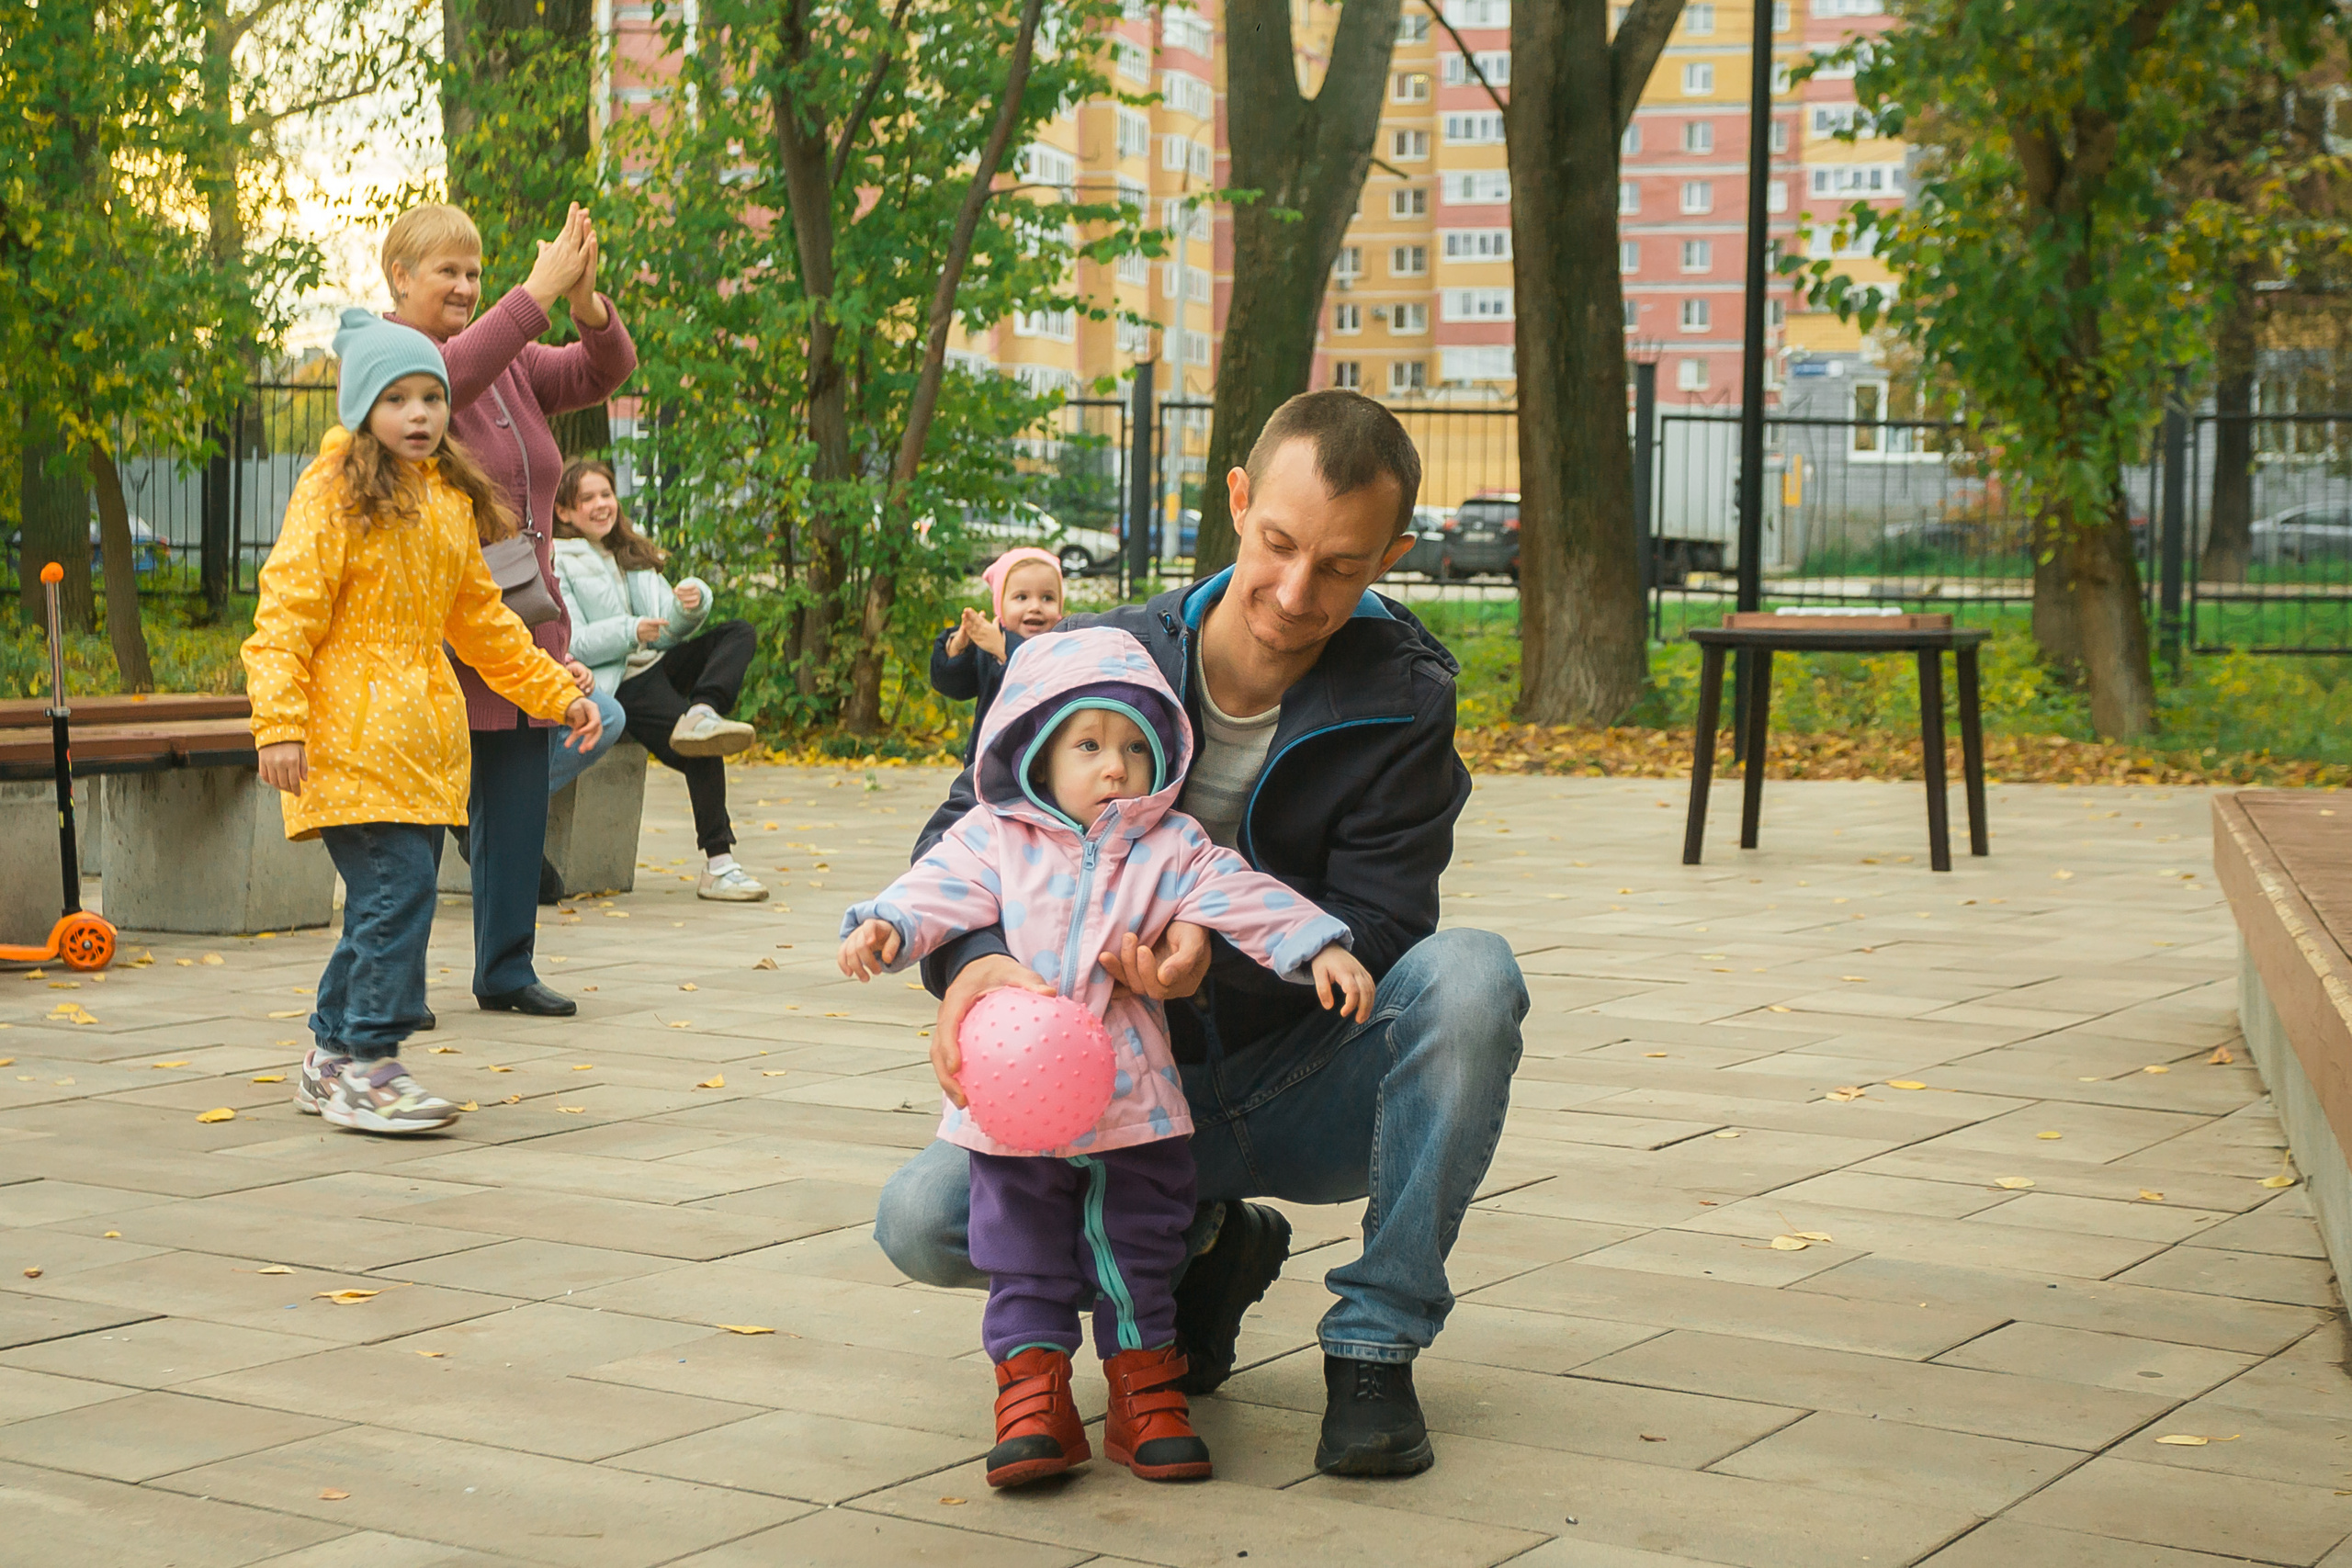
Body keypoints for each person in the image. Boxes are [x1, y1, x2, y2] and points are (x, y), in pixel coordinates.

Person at [873, 389, 1528, 1478]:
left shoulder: (1403, 694)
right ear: (1235, 500)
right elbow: (962, 838)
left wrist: (1203, 957)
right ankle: (1206, 1245)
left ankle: (1375, 1340)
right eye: (1277, 543)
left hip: (1284, 1081)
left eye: (1342, 566)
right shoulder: (1100, 654)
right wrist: (971, 964)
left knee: (1470, 977)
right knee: (924, 1225)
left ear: (1394, 555)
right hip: (1105, 1090)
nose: (1293, 590)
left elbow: (1388, 924)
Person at [838, 626, 1375, 1489]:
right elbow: (929, 892)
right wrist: (884, 925)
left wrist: (1319, 946)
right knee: (1020, 1250)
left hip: (1134, 1105)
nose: (1116, 766)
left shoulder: (1170, 847)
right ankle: (1033, 1395)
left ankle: (1143, 1392)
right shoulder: (992, 840)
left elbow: (1247, 898)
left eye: (1136, 746)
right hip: (1014, 1109)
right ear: (1039, 754)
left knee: (1140, 1249)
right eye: (1089, 745)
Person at [243, 310, 604, 1134]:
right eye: (397, 398)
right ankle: (371, 1063)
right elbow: (284, 619)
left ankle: (331, 1056)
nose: (419, 414)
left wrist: (557, 691)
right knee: (398, 892)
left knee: (383, 900)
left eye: (432, 398)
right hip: (344, 741)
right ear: (362, 408)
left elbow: (485, 626)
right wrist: (280, 726)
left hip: (417, 746)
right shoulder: (335, 495)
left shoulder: (446, 500)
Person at [381, 198, 637, 1017]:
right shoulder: (391, 356)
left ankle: (506, 966)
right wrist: (530, 292)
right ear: (401, 277)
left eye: (474, 273)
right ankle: (395, 982)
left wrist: (584, 301)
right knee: (422, 817)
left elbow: (603, 373)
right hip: (440, 625)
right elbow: (449, 376)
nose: (464, 286)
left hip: (524, 620)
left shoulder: (516, 365)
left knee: (519, 804)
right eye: (447, 272)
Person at [551, 457, 766, 901]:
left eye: (606, 494)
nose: (600, 505)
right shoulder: (560, 558)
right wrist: (631, 630)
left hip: (658, 661)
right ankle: (720, 865)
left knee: (738, 633)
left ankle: (704, 707)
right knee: (702, 743)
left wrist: (691, 603)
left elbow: (668, 627)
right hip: (620, 681)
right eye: (586, 498)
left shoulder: (633, 551)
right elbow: (571, 638)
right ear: (565, 512)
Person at [929, 547, 1065, 763]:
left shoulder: (1063, 646)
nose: (1035, 607)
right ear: (1000, 605)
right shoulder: (987, 645)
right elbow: (952, 685)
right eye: (1021, 597)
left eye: (1047, 598)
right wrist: (957, 648)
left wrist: (1004, 650)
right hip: (989, 761)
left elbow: (1043, 687)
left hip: (1041, 762)